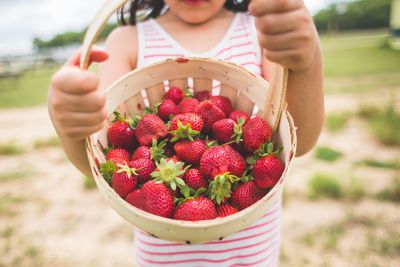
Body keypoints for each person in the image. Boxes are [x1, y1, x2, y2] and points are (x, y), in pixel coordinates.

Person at [48, 0, 324, 266]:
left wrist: (307, 62)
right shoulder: (126, 41)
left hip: (251, 254)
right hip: (164, 259)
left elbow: (300, 141)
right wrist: (71, 128)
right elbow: (105, 161)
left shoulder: (262, 31)